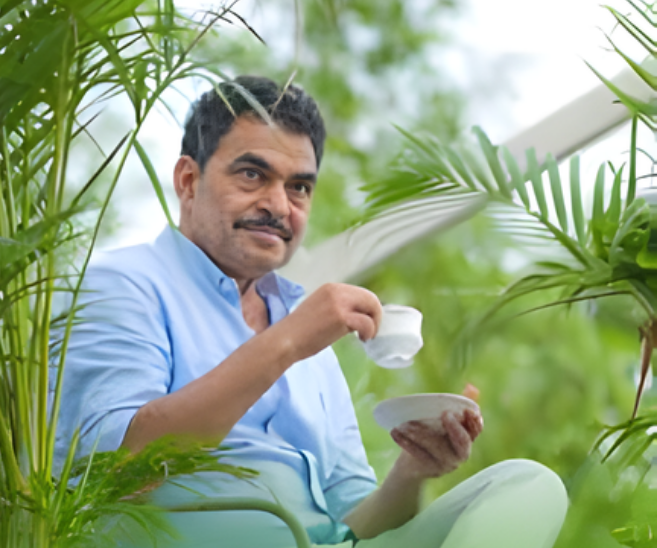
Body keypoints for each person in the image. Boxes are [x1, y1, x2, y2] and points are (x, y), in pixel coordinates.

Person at [52, 76, 568, 548]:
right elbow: (116, 471)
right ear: (189, 180)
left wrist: (412, 471)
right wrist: (288, 343)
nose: (280, 205)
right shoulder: (123, 285)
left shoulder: (304, 328)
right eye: (252, 174)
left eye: (298, 187)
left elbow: (352, 526)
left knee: (528, 485)